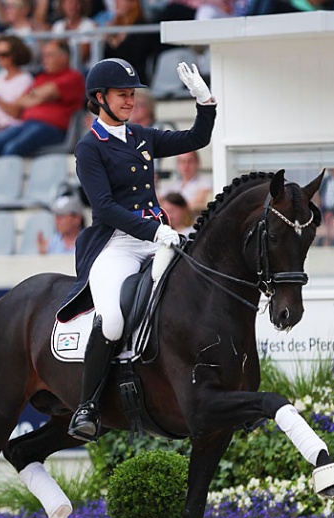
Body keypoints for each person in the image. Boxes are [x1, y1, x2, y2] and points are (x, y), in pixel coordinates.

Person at [56, 57, 217, 442]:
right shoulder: (89, 148)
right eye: (122, 95)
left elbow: (195, 140)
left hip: (157, 239)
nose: (130, 101)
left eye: (132, 95)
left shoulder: (142, 138)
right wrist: (155, 231)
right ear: (100, 98)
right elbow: (106, 207)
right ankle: (87, 406)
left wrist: (205, 103)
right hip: (117, 245)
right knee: (111, 319)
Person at [0, 39, 85, 174]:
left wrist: (35, 95)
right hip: (26, 125)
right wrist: (38, 96)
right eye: (43, 56)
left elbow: (49, 91)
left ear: (64, 57)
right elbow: (20, 100)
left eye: (49, 55)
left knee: (12, 147)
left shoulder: (74, 77)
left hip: (52, 129)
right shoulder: (41, 78)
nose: (44, 60)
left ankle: (3, 190)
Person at [160, 150, 213, 216]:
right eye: (182, 162)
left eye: (190, 161)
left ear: (198, 162)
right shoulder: (174, 185)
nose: (186, 165)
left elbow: (197, 203)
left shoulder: (205, 183)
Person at [51, 0, 96, 69]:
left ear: (81, 5)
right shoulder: (57, 26)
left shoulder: (89, 25)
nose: (72, 6)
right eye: (68, 3)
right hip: (60, 68)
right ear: (62, 6)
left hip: (82, 69)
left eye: (75, 3)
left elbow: (82, 56)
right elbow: (53, 51)